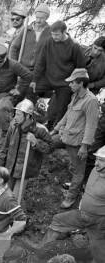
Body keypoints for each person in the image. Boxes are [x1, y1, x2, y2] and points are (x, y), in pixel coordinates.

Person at [39, 146, 105, 263]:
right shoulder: (95, 170)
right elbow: (88, 190)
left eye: (102, 161)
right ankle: (40, 254)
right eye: (97, 159)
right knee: (57, 220)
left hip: (99, 222)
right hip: (83, 214)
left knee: (99, 257)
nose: (97, 163)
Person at [51, 68, 99, 209]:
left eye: (72, 83)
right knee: (47, 143)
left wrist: (84, 146)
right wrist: (54, 130)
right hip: (66, 136)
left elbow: (91, 126)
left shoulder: (91, 101)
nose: (70, 85)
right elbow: (67, 115)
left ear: (80, 83)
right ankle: (73, 185)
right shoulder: (75, 96)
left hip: (77, 142)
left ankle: (71, 197)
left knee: (79, 171)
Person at [30, 20, 86, 128]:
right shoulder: (49, 42)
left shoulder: (74, 46)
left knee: (62, 106)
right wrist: (34, 80)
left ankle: (55, 129)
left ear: (65, 31)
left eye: (57, 35)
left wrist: (75, 84)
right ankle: (28, 118)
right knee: (29, 89)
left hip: (65, 82)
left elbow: (81, 68)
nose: (54, 37)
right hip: (48, 78)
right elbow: (41, 61)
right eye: (52, 34)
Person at [4, 99, 53, 196]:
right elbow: (5, 148)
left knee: (15, 198)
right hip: (10, 168)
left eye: (18, 115)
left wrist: (36, 142)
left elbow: (50, 148)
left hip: (24, 170)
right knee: (6, 197)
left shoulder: (40, 130)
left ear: (27, 116)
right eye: (15, 114)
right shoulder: (13, 126)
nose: (15, 117)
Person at [9, 4, 51, 92]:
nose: (38, 21)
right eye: (37, 17)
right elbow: (14, 47)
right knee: (18, 92)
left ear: (47, 18)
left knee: (33, 94)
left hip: (39, 72)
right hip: (23, 68)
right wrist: (14, 65)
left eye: (42, 18)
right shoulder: (27, 30)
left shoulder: (50, 32)